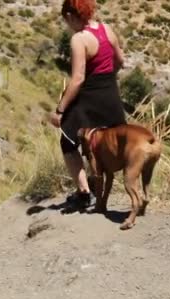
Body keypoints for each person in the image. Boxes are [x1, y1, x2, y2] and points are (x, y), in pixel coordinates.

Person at [51, 0, 127, 207]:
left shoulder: (79, 39)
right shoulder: (106, 29)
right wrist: (107, 79)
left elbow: (77, 79)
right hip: (110, 96)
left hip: (90, 99)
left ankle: (85, 193)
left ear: (70, 17)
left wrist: (60, 110)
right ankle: (96, 185)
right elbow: (120, 61)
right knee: (97, 142)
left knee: (68, 140)